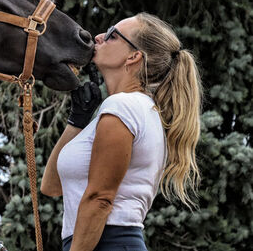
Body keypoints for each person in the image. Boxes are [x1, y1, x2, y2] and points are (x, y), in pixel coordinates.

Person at [41, 13, 202, 251]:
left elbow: (100, 199)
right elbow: (51, 186)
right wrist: (78, 120)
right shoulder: (133, 109)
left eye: (112, 36)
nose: (98, 37)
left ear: (134, 56)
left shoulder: (123, 107)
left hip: (107, 243)